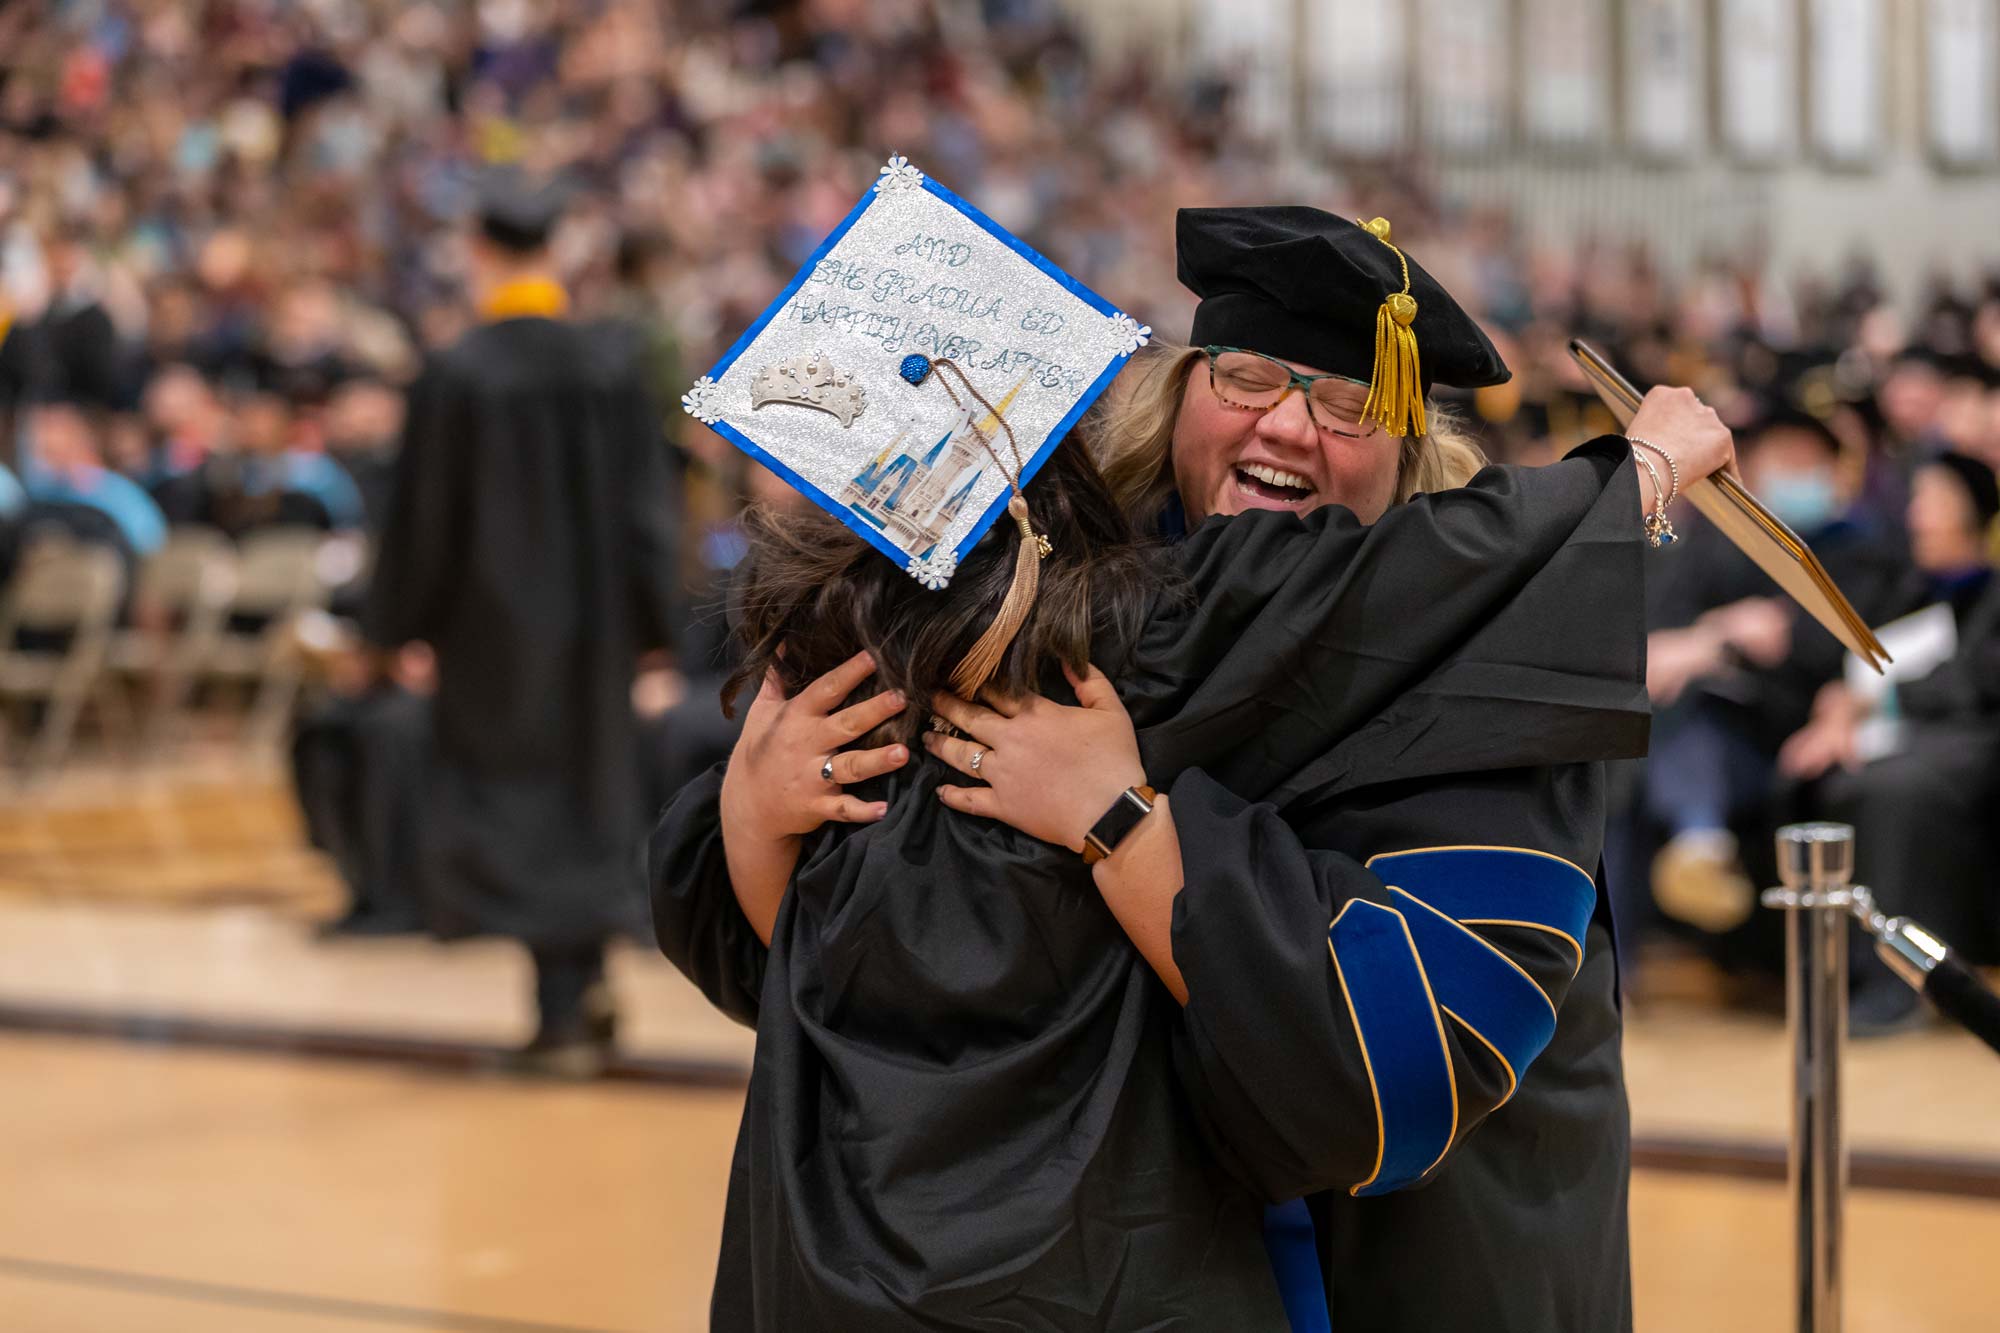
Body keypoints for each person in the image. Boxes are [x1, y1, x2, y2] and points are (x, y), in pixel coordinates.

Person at [653, 207, 1736, 1331]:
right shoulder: (1057, 602)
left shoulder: (1478, 665)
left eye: (1348, 404)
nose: (1288, 424)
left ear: (1408, 446)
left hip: (1378, 1268)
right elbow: (869, 972)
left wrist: (1119, 825)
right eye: (1248, 376)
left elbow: (1393, 1070)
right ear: (1178, 391)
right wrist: (754, 811)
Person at [363, 172, 681, 1075]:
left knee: (515, 809)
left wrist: (397, 629)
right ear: (559, 252)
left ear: (477, 251)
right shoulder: (611, 362)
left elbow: (422, 518)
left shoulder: (457, 372)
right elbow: (646, 512)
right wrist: (656, 628)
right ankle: (575, 987)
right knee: (584, 803)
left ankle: (560, 1008)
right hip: (595, 637)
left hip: (490, 639)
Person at [1780, 451, 2000, 1029]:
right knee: (1808, 775)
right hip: (1895, 732)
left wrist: (1879, 701)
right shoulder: (1905, 584)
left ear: (1970, 512)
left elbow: (1978, 678)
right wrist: (1834, 709)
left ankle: (1903, 981)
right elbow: (1851, 662)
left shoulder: (1992, 589)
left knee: (1888, 788)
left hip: (1970, 732)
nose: (1917, 514)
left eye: (1933, 501)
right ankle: (1821, 970)